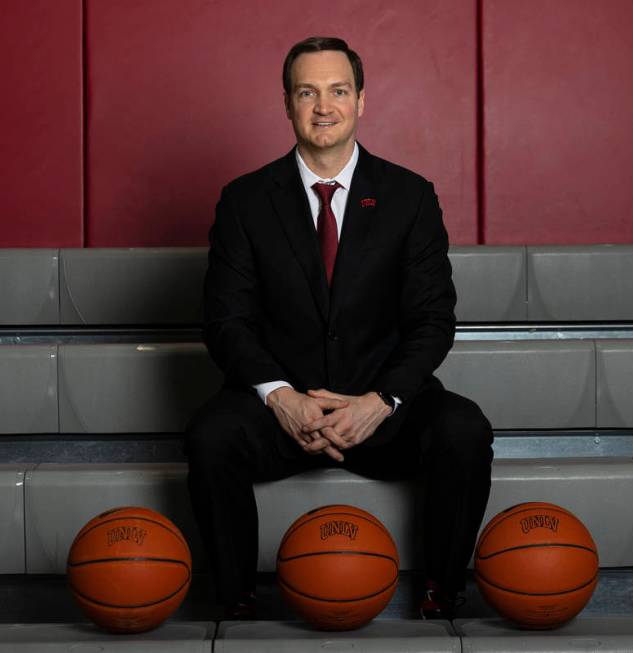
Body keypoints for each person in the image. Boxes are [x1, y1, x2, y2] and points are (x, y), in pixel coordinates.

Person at [184, 36, 494, 620]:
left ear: (361, 101)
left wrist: (381, 401)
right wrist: (281, 398)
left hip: (380, 408)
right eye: (307, 92)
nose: (323, 106)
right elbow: (226, 322)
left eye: (337, 91)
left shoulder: (410, 196)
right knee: (210, 435)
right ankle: (236, 598)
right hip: (286, 411)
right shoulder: (245, 202)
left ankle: (442, 590)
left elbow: (433, 321)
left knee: (464, 430)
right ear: (286, 104)